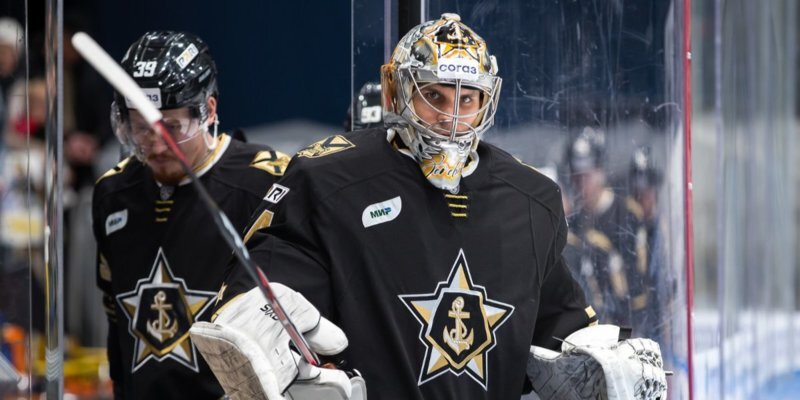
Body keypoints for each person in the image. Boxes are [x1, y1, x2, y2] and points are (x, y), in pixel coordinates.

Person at [191, 14, 666, 400]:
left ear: (487, 101)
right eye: (433, 95)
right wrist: (251, 319)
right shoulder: (328, 180)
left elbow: (560, 334)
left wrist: (600, 364)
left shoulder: (531, 200)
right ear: (397, 92)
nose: (450, 118)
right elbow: (259, 301)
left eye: (467, 98)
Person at [92, 31, 290, 399]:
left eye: (171, 128)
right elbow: (114, 318)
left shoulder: (266, 182)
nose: (155, 146)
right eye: (140, 128)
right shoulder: (113, 193)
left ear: (208, 111)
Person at [564, 128, 650, 331]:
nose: (580, 183)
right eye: (576, 176)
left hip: (626, 327)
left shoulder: (627, 215)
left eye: (587, 175)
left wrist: (629, 335)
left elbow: (639, 288)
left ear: (601, 171)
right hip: (589, 329)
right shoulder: (572, 223)